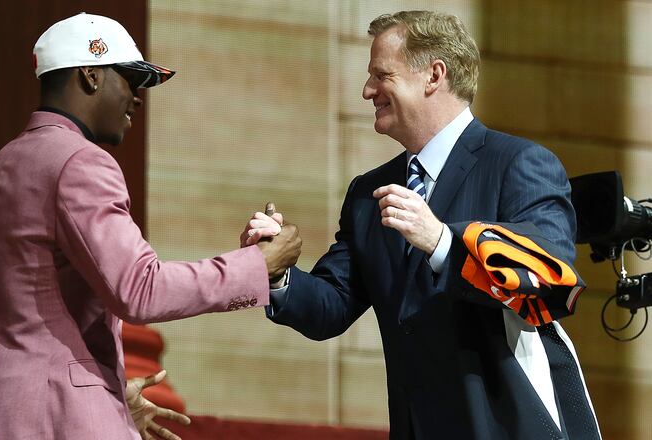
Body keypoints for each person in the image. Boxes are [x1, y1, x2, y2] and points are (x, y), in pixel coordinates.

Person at [244, 10, 601, 440]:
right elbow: (330, 307)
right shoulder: (368, 193)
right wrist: (277, 272)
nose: (366, 91)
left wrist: (444, 243)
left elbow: (552, 276)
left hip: (514, 426)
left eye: (381, 75)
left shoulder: (517, 163)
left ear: (434, 75)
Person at [0, 12, 301, 440]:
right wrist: (258, 265)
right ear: (90, 75)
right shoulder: (82, 162)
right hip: (68, 420)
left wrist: (109, 395)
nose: (138, 97)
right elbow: (140, 291)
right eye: (129, 78)